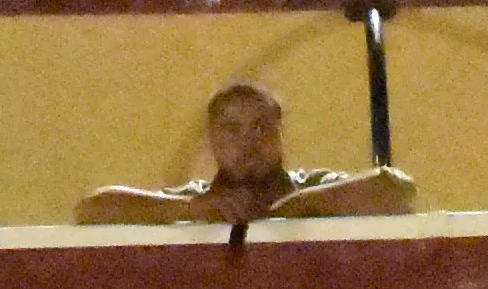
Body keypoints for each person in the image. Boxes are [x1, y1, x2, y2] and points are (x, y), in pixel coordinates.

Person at [84, 76, 418, 223]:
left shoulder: (312, 186)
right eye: (232, 129)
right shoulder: (198, 200)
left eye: (262, 127)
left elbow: (397, 188)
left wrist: (300, 205)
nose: (250, 142)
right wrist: (191, 209)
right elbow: (93, 208)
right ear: (212, 141)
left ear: (281, 133)